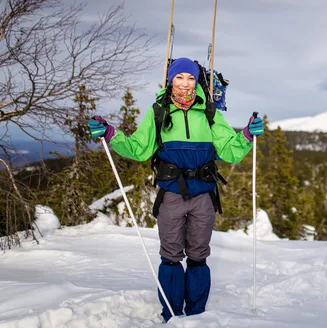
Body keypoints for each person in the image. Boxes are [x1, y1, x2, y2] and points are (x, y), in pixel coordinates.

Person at [87, 57, 264, 322]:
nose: (185, 83)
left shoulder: (209, 113)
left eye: (190, 78)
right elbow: (139, 148)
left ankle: (196, 315)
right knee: (170, 257)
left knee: (198, 256)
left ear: (197, 81)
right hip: (171, 194)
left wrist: (247, 135)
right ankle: (171, 314)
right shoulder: (159, 111)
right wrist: (111, 134)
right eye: (179, 77)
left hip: (203, 195)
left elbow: (229, 150)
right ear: (170, 80)